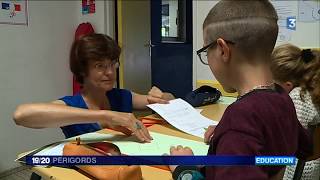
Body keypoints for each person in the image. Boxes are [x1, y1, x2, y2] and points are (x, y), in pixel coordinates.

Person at [168, 0, 312, 179]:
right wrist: (227, 141)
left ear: (222, 50)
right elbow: (305, 146)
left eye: (206, 51)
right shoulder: (281, 97)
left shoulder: (240, 119)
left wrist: (185, 170)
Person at [13, 33, 174, 142]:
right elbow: (21, 115)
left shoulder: (120, 96)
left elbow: (169, 100)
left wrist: (162, 96)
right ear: (83, 70)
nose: (110, 72)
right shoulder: (73, 104)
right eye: (100, 66)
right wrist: (107, 116)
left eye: (112, 64)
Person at [270, 43, 320, 180]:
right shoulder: (310, 90)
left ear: (287, 85)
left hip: (298, 171)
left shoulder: (298, 100)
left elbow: (286, 144)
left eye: (272, 84)